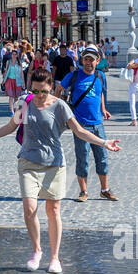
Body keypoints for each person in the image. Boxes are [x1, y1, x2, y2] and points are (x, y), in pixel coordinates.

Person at [0, 68, 121, 274]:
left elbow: (80, 131)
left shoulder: (60, 107)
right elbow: (9, 127)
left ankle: (55, 257)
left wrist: (104, 142)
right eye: (36, 91)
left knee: (53, 210)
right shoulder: (25, 103)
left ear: (51, 88)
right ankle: (37, 250)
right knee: (30, 208)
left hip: (54, 164)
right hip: (28, 162)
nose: (39, 96)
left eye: (44, 91)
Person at [57, 45, 118, 201]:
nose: (89, 62)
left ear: (97, 61)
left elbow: (100, 94)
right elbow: (59, 88)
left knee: (102, 157)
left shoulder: (100, 76)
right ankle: (83, 192)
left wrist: (103, 109)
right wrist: (60, 106)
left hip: (98, 124)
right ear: (82, 61)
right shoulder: (74, 76)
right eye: (86, 59)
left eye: (91, 59)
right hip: (80, 125)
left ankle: (105, 189)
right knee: (82, 157)